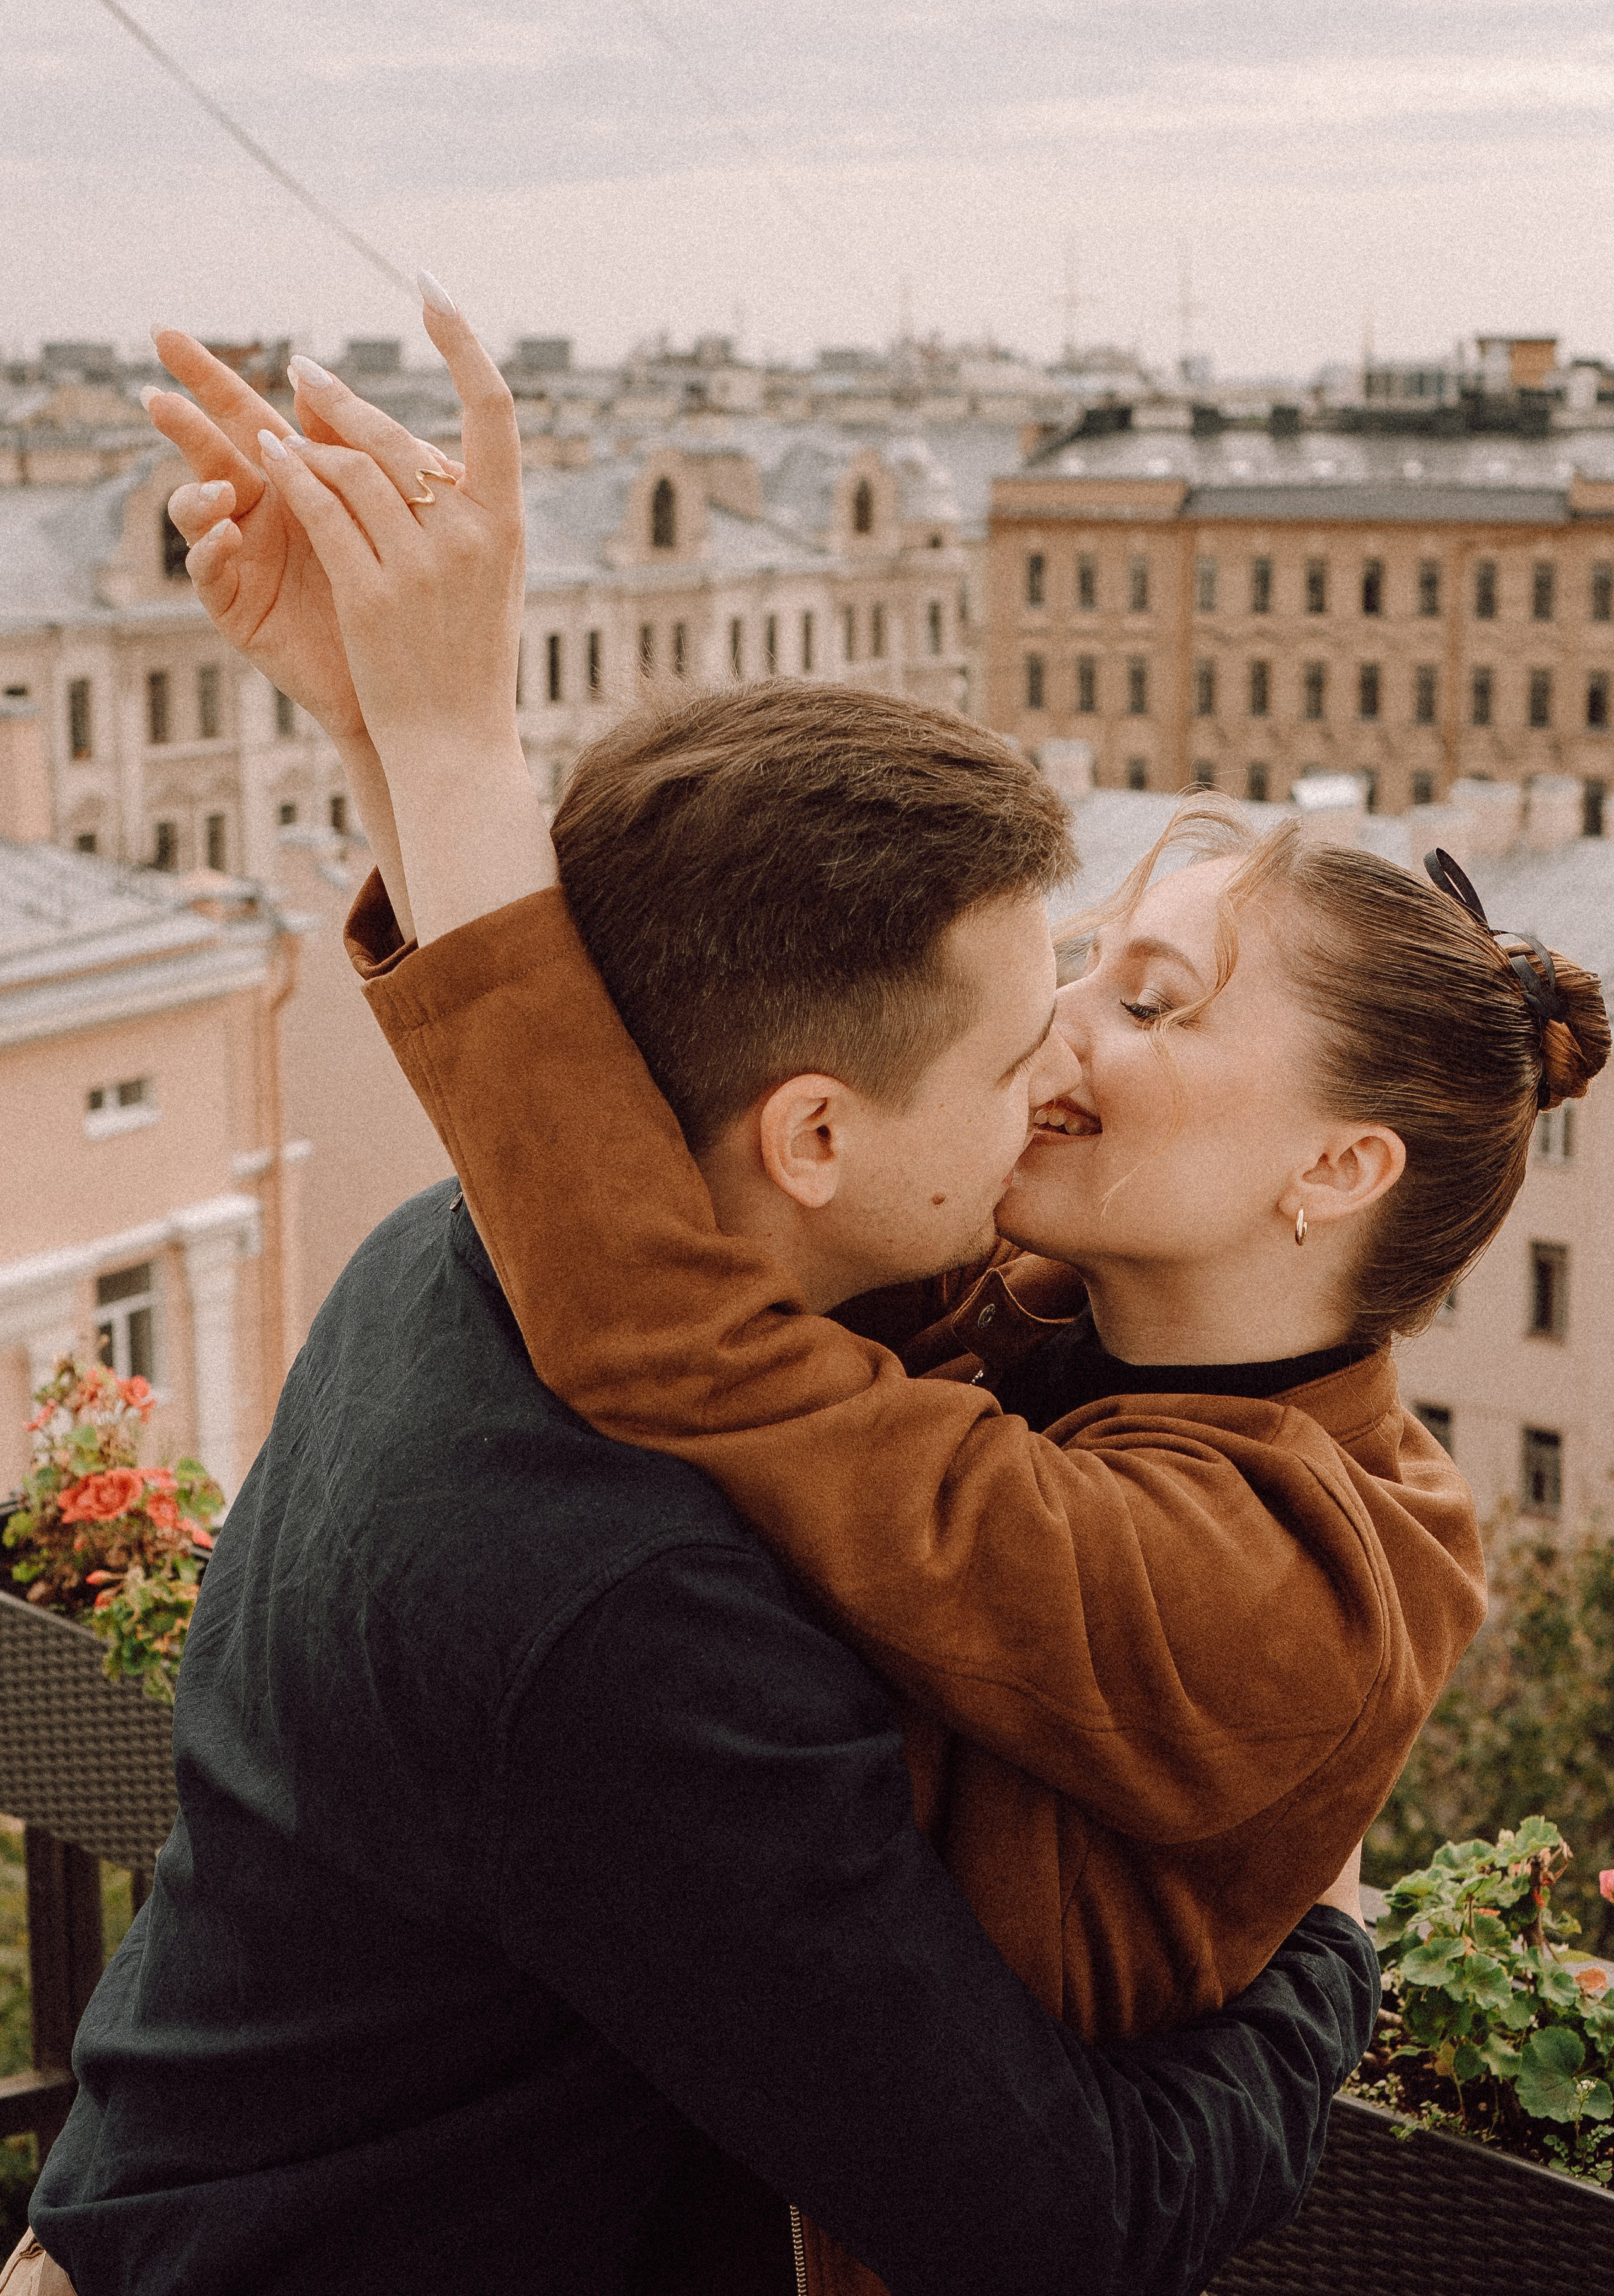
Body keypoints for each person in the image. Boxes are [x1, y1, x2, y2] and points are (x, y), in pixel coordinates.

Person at [218, 303, 1612, 2296]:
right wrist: (380, 727)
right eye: (1082, 971)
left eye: (1149, 1003)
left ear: (1337, 1170)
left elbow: (669, 1317)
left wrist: (439, 744)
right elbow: (700, 1118)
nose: (1054, 1036)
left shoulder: (1276, 1566)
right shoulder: (1055, 1323)